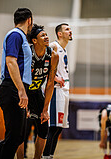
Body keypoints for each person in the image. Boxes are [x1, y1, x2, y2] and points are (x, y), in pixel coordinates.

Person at [0, 8, 33, 159]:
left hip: (17, 89)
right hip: (12, 88)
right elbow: (11, 62)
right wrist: (21, 90)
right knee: (15, 136)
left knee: (17, 136)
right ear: (29, 20)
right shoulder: (15, 35)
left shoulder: (22, 37)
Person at [17, 24, 59, 159]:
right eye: (43, 35)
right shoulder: (26, 54)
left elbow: (50, 83)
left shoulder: (53, 55)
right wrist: (24, 103)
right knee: (22, 131)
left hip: (37, 93)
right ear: (34, 40)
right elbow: (20, 79)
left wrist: (45, 109)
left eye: (46, 35)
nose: (46, 37)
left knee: (43, 128)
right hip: (23, 93)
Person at [43, 23, 72, 159]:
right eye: (67, 29)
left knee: (59, 128)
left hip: (64, 90)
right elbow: (42, 62)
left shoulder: (63, 49)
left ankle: (50, 156)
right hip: (56, 90)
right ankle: (44, 156)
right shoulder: (53, 46)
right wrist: (54, 77)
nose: (70, 31)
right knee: (53, 127)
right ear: (59, 34)